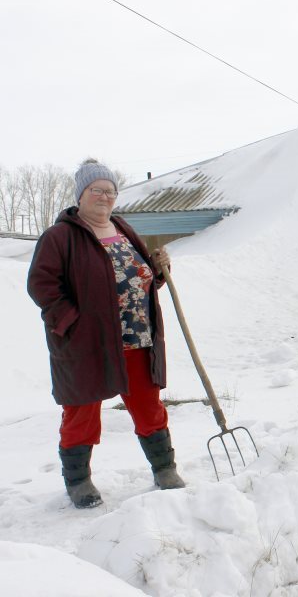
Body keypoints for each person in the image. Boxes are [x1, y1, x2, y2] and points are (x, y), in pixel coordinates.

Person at [27, 158, 185, 509]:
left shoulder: (123, 228)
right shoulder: (60, 236)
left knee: (149, 406)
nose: (104, 196)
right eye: (96, 189)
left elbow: (140, 279)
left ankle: (165, 468)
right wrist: (72, 323)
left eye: (110, 191)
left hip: (138, 339)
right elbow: (42, 285)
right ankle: (79, 480)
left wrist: (159, 272)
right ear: (80, 194)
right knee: (81, 410)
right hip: (88, 344)